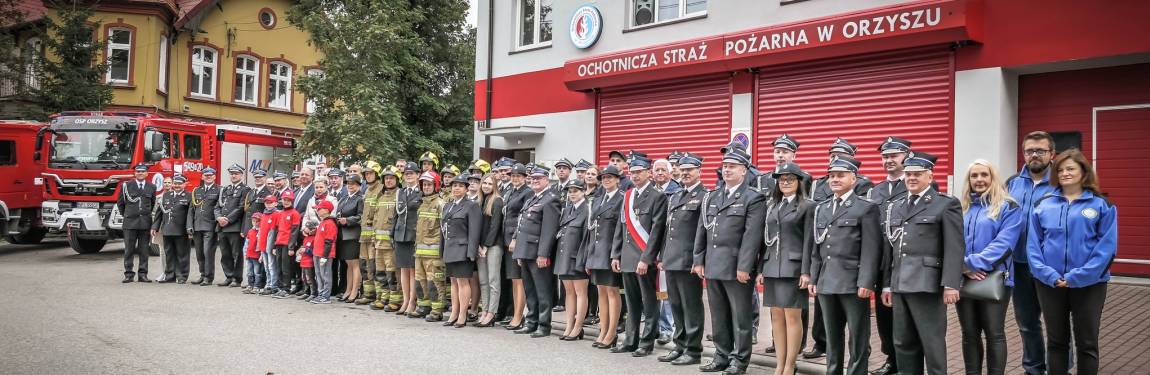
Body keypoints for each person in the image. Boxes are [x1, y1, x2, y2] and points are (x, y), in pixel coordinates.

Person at [1027, 148, 1116, 375]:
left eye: (1071, 169)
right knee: (1056, 342)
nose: (1065, 173)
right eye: (1061, 169)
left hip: (1089, 285)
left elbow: (1106, 248)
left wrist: (1077, 277)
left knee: (1087, 343)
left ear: (1083, 171)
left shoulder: (1100, 204)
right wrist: (1048, 275)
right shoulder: (1044, 204)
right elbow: (1033, 246)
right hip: (1050, 284)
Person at [880, 151, 964, 375]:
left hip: (928, 284)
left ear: (930, 176)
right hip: (900, 284)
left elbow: (954, 247)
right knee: (903, 343)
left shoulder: (945, 204)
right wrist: (887, 284)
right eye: (908, 174)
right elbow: (891, 249)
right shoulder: (895, 206)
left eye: (917, 174)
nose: (911, 178)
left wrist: (951, 284)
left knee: (932, 344)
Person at [693, 147, 765, 375]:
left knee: (741, 317)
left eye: (732, 166)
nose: (727, 169)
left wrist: (745, 266)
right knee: (719, 314)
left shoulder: (753, 197)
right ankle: (721, 355)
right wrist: (698, 259)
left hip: (736, 268)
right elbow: (702, 231)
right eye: (725, 166)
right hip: (713, 264)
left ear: (744, 170)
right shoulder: (712, 197)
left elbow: (751, 236)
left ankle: (740, 360)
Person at [807, 156, 882, 375]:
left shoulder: (866, 208)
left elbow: (871, 249)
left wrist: (867, 281)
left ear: (853, 178)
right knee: (832, 336)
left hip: (853, 283)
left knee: (858, 336)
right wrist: (814, 278)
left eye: (840, 175)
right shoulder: (822, 208)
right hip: (827, 282)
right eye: (832, 176)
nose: (835, 180)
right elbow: (817, 248)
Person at [958, 160, 1024, 375]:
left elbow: (1004, 244)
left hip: (995, 277)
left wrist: (970, 263)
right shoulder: (961, 207)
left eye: (984, 175)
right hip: (964, 277)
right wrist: (962, 267)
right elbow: (951, 241)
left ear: (993, 177)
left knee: (994, 333)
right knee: (969, 334)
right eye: (974, 175)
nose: (979, 180)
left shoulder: (1009, 206)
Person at [1006, 131, 1059, 375]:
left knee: (1055, 322)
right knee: (1027, 323)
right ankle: (1033, 368)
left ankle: (1059, 367)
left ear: (1052, 154)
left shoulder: (1062, 183)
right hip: (1019, 264)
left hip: (1050, 266)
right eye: (1029, 151)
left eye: (1040, 150)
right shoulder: (1012, 183)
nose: (1034, 155)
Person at [757, 162, 814, 375]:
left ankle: (790, 365)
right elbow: (766, 240)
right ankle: (779, 364)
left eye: (790, 178)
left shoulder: (808, 206)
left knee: (792, 317)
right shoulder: (772, 205)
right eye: (781, 179)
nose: (785, 182)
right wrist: (762, 268)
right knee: (776, 318)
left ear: (799, 182)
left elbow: (810, 241)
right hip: (772, 266)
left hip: (794, 268)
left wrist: (806, 271)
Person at [865, 136, 915, 375]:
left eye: (894, 155)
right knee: (884, 317)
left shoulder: (916, 184)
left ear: (907, 156)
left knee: (905, 316)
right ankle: (891, 360)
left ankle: (908, 363)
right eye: (885, 156)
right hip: (880, 261)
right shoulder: (875, 191)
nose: (889, 160)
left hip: (905, 259)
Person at [610, 156, 667, 357]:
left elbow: (657, 230)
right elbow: (621, 226)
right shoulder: (628, 195)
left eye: (638, 172)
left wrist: (646, 258)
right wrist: (615, 254)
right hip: (626, 257)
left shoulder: (657, 196)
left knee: (650, 302)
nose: (634, 176)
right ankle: (630, 339)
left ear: (648, 173)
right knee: (632, 303)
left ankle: (646, 341)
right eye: (632, 172)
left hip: (644, 259)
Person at [657, 153, 707, 366]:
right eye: (683, 169)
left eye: (690, 169)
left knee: (691, 306)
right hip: (671, 259)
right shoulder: (676, 195)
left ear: (699, 171)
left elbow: (702, 232)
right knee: (675, 304)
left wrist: (698, 260)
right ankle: (679, 345)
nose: (685, 173)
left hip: (688, 261)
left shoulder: (705, 196)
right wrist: (662, 255)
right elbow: (667, 229)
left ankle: (693, 350)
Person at [510, 164, 561, 338]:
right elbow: (521, 225)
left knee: (542, 290)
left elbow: (549, 230)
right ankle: (531, 321)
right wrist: (518, 250)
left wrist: (543, 254)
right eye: (533, 179)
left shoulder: (551, 199)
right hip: (525, 251)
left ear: (547, 179)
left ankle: (544, 324)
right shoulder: (531, 198)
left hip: (538, 252)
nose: (535, 181)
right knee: (530, 289)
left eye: (538, 178)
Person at [587, 165, 625, 348]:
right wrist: (589, 256)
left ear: (618, 179)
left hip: (611, 252)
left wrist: (616, 254)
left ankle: (612, 333)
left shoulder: (622, 198)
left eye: (611, 177)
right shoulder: (598, 199)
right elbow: (592, 230)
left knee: (612, 291)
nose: (606, 180)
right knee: (601, 291)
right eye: (603, 177)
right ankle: (603, 329)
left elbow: (620, 229)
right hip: (597, 252)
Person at [441, 175, 482, 327]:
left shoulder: (471, 205)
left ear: (466, 189)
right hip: (450, 248)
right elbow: (443, 231)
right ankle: (454, 313)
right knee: (453, 282)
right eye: (454, 185)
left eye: (460, 185)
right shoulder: (448, 205)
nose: (456, 188)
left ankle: (463, 315)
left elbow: (474, 231)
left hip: (463, 249)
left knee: (463, 282)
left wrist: (471, 252)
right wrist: (442, 250)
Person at [554, 179, 590, 341]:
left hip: (577, 257)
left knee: (580, 292)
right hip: (565, 255)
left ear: (583, 191)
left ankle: (578, 326)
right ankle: (569, 324)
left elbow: (586, 238)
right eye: (570, 191)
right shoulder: (567, 209)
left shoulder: (587, 210)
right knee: (569, 292)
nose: (572, 193)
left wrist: (583, 260)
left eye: (576, 190)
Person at [498, 163, 530, 329]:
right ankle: (513, 314)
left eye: (519, 176)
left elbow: (522, 218)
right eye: (513, 176)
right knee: (511, 279)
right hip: (505, 239)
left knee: (518, 280)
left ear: (525, 177)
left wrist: (515, 238)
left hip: (515, 241)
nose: (515, 178)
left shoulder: (527, 192)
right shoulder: (509, 191)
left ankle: (518, 316)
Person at [393, 162, 423, 317]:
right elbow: (395, 215)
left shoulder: (421, 192)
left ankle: (412, 301)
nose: (409, 176)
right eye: (406, 173)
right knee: (403, 269)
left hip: (413, 235)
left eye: (412, 173)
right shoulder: (401, 192)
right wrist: (393, 234)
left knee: (413, 270)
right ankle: (405, 300)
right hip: (400, 235)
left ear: (418, 175)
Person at [475, 173, 505, 327]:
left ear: (495, 186)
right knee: (483, 281)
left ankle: (492, 313)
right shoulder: (480, 201)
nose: (486, 186)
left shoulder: (497, 201)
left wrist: (486, 246)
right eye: (484, 183)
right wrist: (479, 245)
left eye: (489, 183)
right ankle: (484, 310)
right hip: (481, 247)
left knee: (493, 281)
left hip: (493, 246)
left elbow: (495, 226)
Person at [120, 164, 157, 283]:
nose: (140, 173)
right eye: (138, 171)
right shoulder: (126, 186)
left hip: (145, 223)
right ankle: (129, 274)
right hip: (130, 223)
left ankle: (143, 274)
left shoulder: (152, 186)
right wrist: (128, 215)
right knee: (129, 249)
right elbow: (121, 204)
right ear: (134, 173)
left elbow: (152, 203)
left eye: (142, 171)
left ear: (147, 173)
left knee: (144, 250)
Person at [371, 166, 401, 311]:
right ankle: (383, 297)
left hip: (390, 244)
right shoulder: (381, 197)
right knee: (380, 272)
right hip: (378, 243)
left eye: (391, 178)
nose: (388, 181)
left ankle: (395, 300)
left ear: (397, 179)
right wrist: (373, 237)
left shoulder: (399, 196)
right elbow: (376, 219)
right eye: (386, 178)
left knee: (392, 273)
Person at [355, 161, 385, 305]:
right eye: (366, 173)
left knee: (374, 266)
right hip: (363, 236)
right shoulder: (367, 190)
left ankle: (379, 295)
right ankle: (369, 293)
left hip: (374, 236)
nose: (368, 176)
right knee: (364, 266)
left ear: (377, 174)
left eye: (370, 173)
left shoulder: (381, 189)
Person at [215, 164, 249, 288]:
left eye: (236, 173)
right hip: (222, 226)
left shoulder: (245, 189)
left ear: (241, 175)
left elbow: (241, 208)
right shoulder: (225, 189)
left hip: (234, 227)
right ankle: (228, 276)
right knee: (225, 254)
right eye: (232, 173)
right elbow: (217, 206)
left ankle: (237, 278)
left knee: (237, 254)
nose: (234, 175)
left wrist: (227, 219)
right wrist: (218, 217)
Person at [153, 174, 191, 284]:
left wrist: (189, 228)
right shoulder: (166, 195)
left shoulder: (188, 196)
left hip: (181, 230)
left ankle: (182, 276)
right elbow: (159, 213)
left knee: (182, 254)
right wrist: (155, 226)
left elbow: (190, 214)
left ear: (184, 184)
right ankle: (170, 275)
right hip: (167, 229)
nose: (177, 185)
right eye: (175, 183)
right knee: (169, 253)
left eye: (179, 184)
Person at [335, 174, 365, 302]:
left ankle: (355, 291)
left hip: (353, 234)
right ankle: (348, 290)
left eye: (353, 183)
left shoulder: (360, 199)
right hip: (343, 233)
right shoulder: (344, 197)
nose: (350, 186)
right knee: (348, 264)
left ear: (359, 185)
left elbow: (361, 216)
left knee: (355, 263)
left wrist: (347, 220)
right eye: (348, 183)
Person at [189, 167, 221, 286]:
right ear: (202, 177)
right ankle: (202, 275)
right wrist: (189, 225)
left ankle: (208, 277)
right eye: (206, 175)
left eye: (210, 175)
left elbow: (220, 208)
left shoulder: (219, 190)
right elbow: (191, 210)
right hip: (197, 226)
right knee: (199, 253)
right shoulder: (197, 190)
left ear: (214, 176)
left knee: (208, 252)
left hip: (210, 226)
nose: (208, 177)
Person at [310, 200, 339, 304]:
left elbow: (329, 241)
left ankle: (325, 296)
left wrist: (324, 256)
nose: (317, 210)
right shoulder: (323, 221)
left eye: (320, 208)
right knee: (318, 274)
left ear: (327, 210)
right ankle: (320, 293)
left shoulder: (330, 223)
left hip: (324, 254)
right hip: (317, 253)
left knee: (325, 275)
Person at [274, 191, 301, 297]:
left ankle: (286, 288)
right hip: (279, 243)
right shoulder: (280, 213)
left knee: (286, 267)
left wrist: (291, 247)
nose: (286, 202)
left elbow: (294, 232)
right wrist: (274, 246)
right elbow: (277, 230)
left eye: (288, 200)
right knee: (279, 266)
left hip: (287, 244)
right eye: (284, 200)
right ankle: (280, 287)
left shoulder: (295, 214)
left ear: (292, 201)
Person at [252, 195, 280, 295]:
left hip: (270, 246)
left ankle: (274, 285)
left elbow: (274, 232)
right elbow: (261, 232)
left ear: (276, 203)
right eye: (267, 203)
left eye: (271, 203)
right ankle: (268, 284)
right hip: (263, 245)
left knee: (272, 266)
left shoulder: (276, 214)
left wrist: (274, 246)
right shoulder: (264, 215)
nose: (268, 205)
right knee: (267, 266)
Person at [242, 213, 265, 293]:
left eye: (257, 221)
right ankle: (250, 285)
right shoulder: (250, 231)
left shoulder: (261, 232)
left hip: (256, 256)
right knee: (249, 272)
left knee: (257, 272)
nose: (255, 223)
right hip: (249, 255)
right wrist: (245, 253)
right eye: (253, 221)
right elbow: (246, 244)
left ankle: (257, 286)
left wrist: (261, 255)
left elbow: (262, 245)